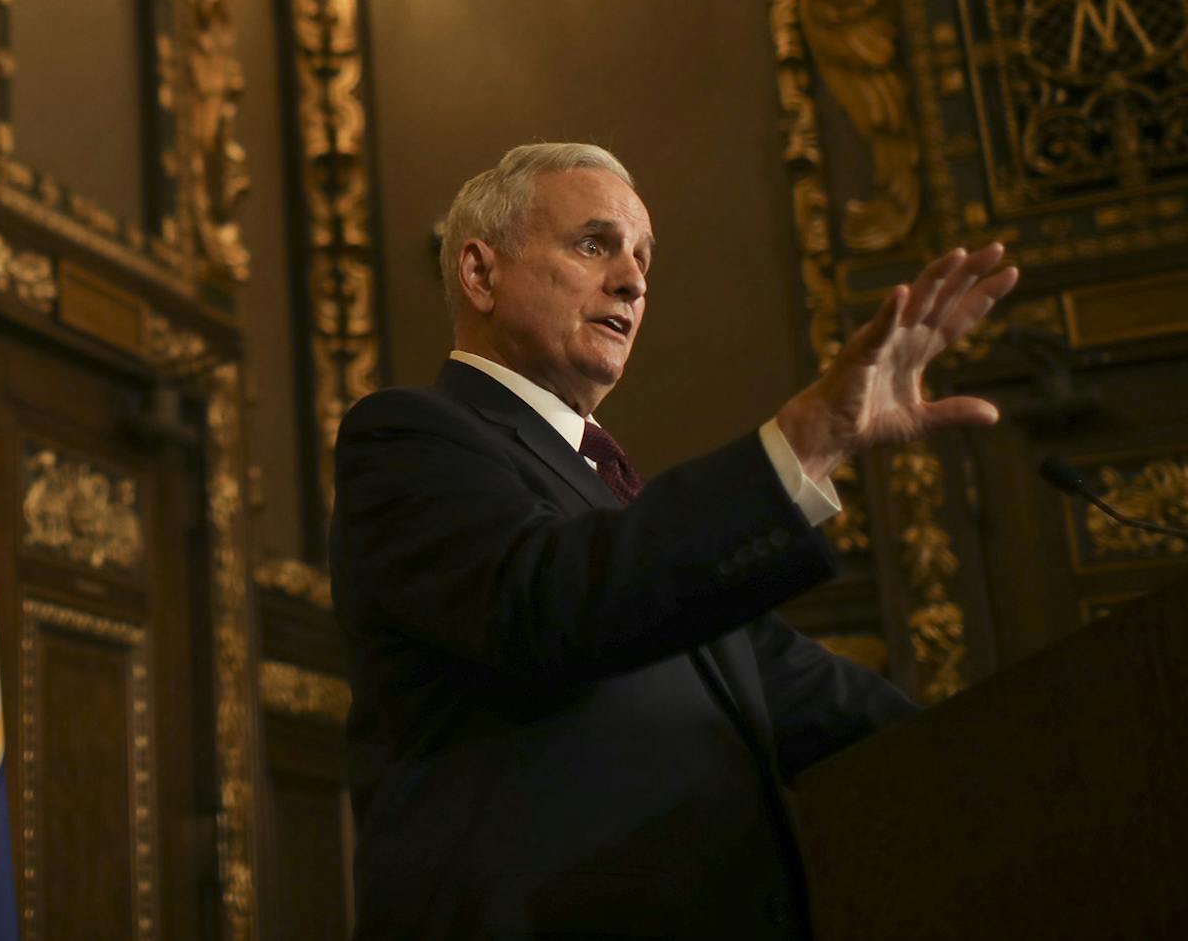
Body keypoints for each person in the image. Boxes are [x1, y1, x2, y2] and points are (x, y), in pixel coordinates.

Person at [330, 143, 1018, 940]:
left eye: (642, 257)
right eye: (594, 244)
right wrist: (803, 442)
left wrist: (1015, 757)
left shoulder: (617, 502)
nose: (633, 279)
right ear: (481, 273)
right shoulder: (409, 438)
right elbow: (550, 599)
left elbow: (806, 692)